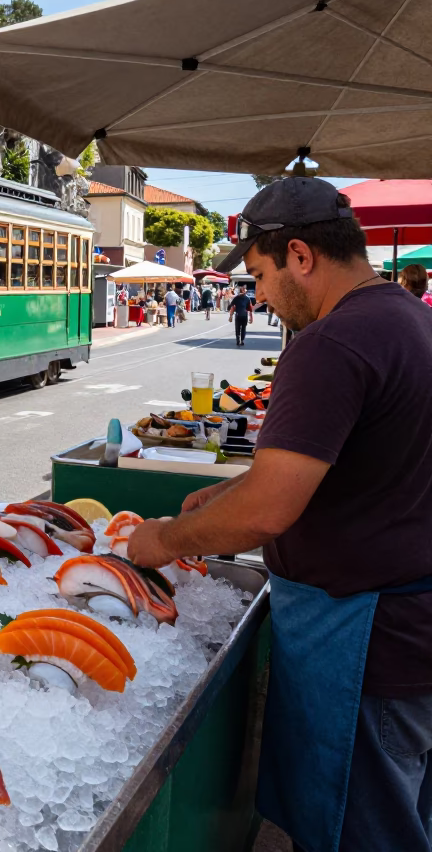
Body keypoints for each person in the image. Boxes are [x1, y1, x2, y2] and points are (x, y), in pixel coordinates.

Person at [128, 176, 432, 852]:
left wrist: (162, 540)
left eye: (261, 275)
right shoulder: (412, 319)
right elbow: (367, 468)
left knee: (363, 831)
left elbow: (269, 511)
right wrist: (228, 495)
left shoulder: (329, 345)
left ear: (301, 255)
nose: (258, 295)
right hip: (411, 624)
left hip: (365, 637)